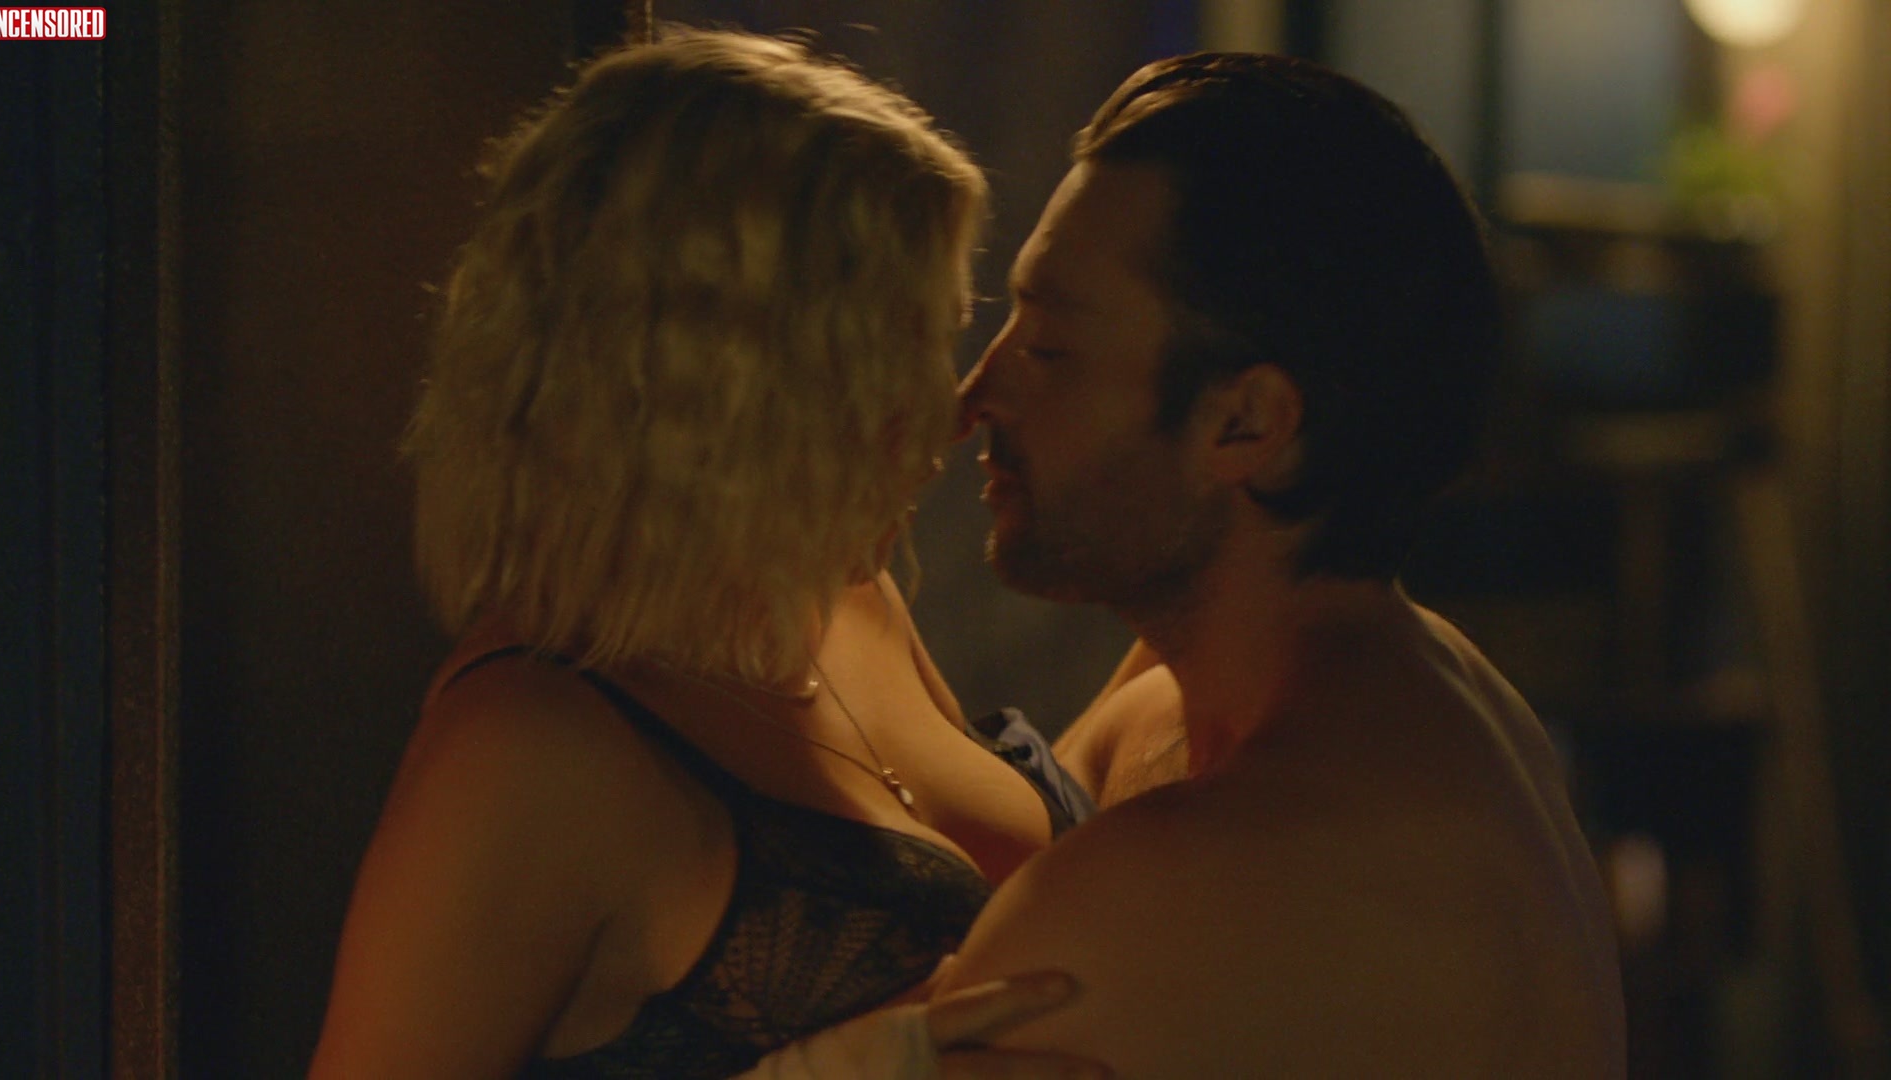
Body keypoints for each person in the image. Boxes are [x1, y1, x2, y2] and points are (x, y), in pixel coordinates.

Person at [309, 30, 1100, 1079]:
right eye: (908, 350)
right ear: (732, 381)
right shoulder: (527, 748)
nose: (948, 412)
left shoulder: (845, 603)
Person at [917, 52, 1628, 1076]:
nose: (976, 394)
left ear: (1247, 422)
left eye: (1051, 348)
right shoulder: (1390, 690)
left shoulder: (1185, 884)